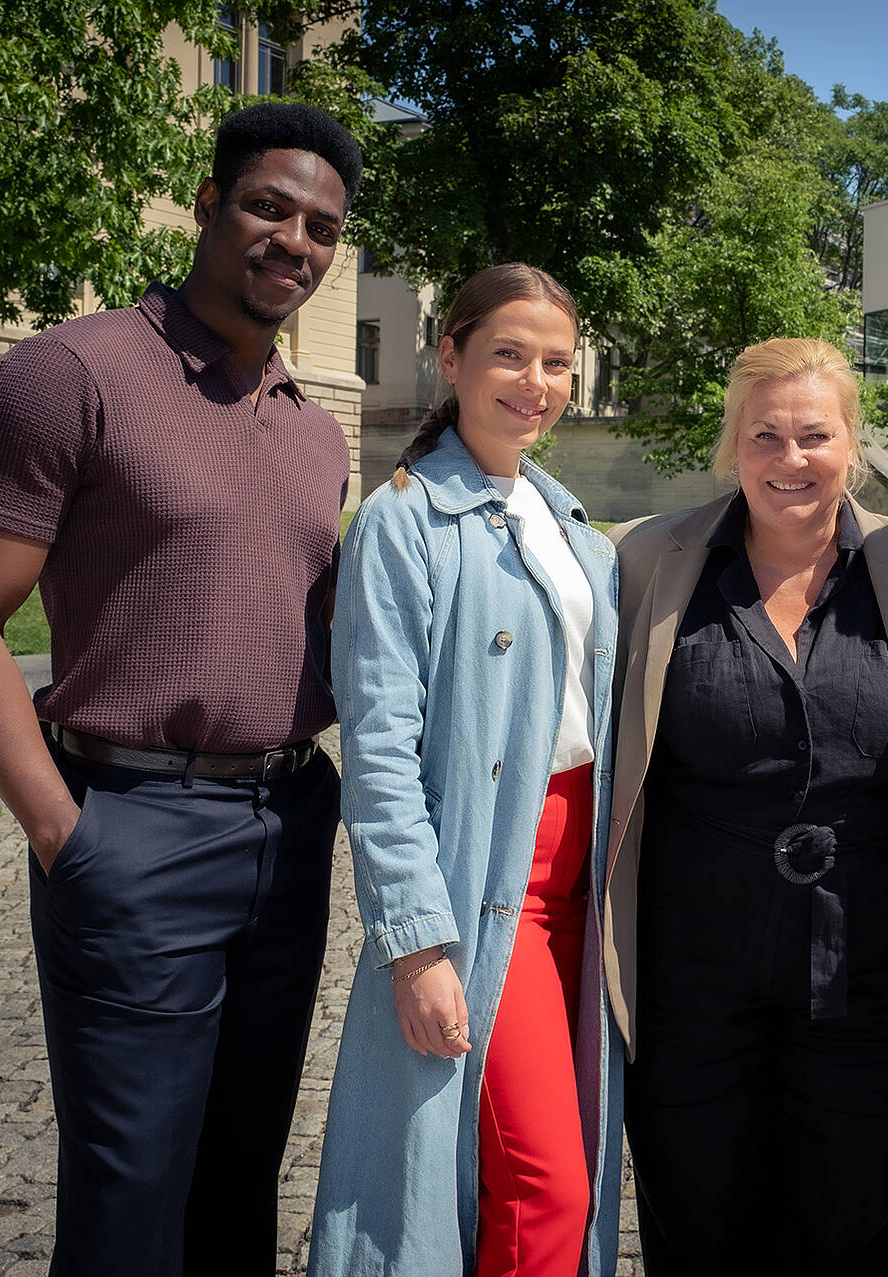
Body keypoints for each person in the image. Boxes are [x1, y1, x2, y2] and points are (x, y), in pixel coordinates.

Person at [0, 104, 361, 1275]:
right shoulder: (69, 373)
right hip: (132, 827)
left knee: (239, 1176)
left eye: (321, 225)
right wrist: (66, 831)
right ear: (208, 203)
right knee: (131, 1190)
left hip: (288, 823)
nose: (293, 241)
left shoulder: (316, 432)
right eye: (269, 205)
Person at [604, 338, 888, 1275]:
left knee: (852, 1228)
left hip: (869, 978)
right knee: (697, 1225)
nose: (791, 457)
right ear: (733, 446)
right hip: (693, 976)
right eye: (764, 433)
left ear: (853, 442)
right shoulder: (650, 562)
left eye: (816, 433)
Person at [308, 263, 622, 1277]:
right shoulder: (400, 522)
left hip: (587, 885)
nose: (534, 381)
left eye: (555, 363)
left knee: (547, 1173)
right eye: (508, 355)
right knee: (544, 1182)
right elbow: (379, 747)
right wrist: (414, 943)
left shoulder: (573, 524)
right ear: (450, 357)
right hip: (490, 884)